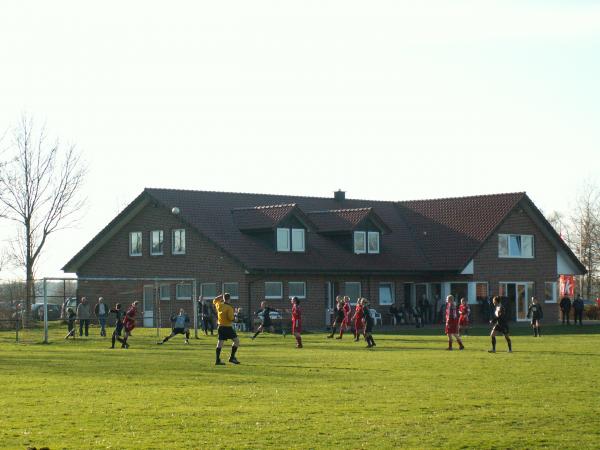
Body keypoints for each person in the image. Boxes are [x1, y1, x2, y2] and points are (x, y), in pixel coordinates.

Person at [213, 293, 240, 365]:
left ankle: (217, 360)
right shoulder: (229, 308)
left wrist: (220, 296)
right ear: (229, 299)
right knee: (236, 341)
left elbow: (214, 300)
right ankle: (232, 357)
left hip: (220, 326)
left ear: (223, 298)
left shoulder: (219, 305)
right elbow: (230, 318)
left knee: (220, 343)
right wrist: (236, 317)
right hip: (227, 327)